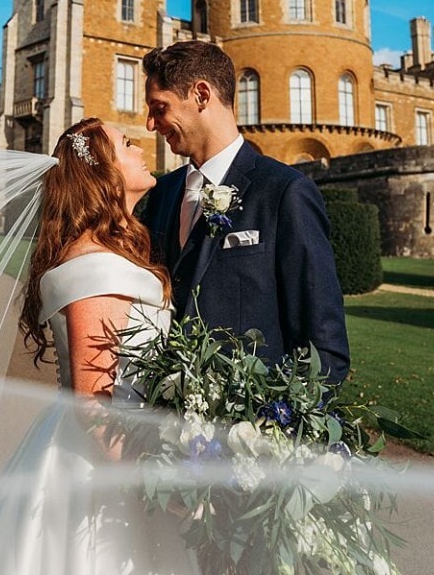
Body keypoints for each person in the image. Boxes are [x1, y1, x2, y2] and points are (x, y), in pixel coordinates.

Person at [0, 118, 200, 575]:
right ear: (103, 171)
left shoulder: (106, 251)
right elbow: (95, 404)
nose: (140, 148)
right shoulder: (95, 265)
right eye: (126, 143)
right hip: (104, 467)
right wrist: (157, 484)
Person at [141, 41, 350, 384]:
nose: (151, 124)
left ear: (201, 95)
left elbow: (323, 345)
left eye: (159, 108)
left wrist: (276, 428)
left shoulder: (284, 191)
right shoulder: (163, 193)